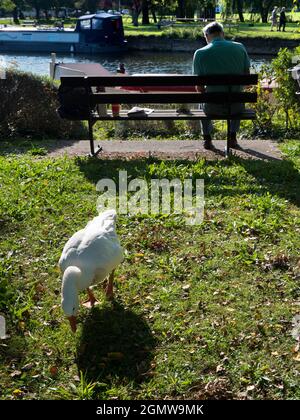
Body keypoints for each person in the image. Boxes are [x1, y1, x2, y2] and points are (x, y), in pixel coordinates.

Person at [193, 21, 250, 149]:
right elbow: (247, 81)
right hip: (236, 108)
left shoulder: (200, 53)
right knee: (237, 94)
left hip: (212, 107)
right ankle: (232, 138)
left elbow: (200, 88)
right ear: (222, 34)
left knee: (201, 99)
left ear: (206, 36)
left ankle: (207, 139)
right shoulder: (240, 47)